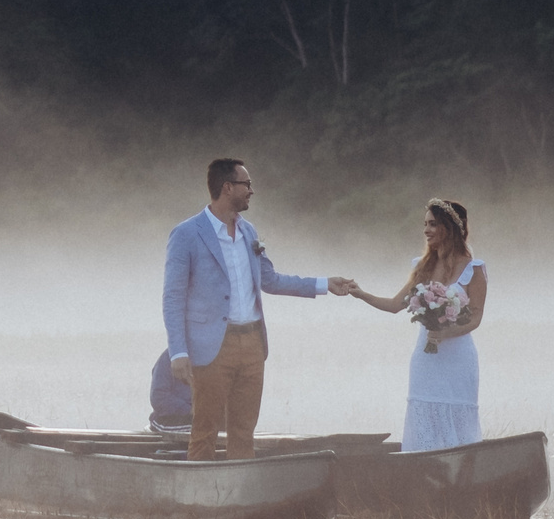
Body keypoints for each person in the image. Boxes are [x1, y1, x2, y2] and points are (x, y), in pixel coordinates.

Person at [161, 158, 334, 461]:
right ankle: (200, 490)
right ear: (227, 187)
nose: (251, 191)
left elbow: (270, 279)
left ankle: (240, 487)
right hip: (212, 346)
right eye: (247, 184)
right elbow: (173, 297)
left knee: (243, 431)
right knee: (205, 430)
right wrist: (178, 352)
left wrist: (325, 284)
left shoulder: (249, 232)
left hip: (253, 343)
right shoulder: (187, 233)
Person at [332, 198, 484, 452]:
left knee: (457, 417)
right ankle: (423, 464)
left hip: (458, 358)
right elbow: (395, 305)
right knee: (424, 412)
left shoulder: (473, 269)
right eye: (425, 224)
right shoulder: (423, 267)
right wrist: (361, 294)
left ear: (449, 228)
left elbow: (475, 317)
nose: (426, 230)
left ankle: (461, 466)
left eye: (432, 224)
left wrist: (445, 332)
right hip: (426, 359)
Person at [147, 347, 193, 436]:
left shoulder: (213, 355)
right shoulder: (169, 357)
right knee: (203, 430)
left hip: (202, 417)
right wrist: (190, 410)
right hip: (168, 419)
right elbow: (158, 397)